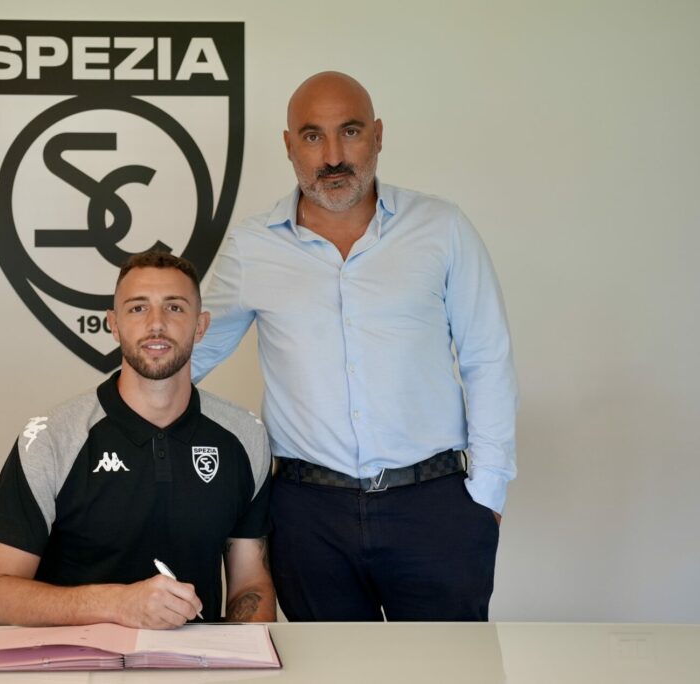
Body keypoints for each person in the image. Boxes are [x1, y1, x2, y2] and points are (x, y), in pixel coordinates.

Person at [192, 71, 518, 622]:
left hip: (435, 507)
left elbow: (487, 359)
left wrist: (487, 494)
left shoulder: (441, 228)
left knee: (451, 665)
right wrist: (103, 427)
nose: (333, 156)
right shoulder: (251, 247)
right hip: (308, 517)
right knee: (331, 666)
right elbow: (188, 356)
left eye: (350, 131)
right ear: (289, 145)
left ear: (378, 135)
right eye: (312, 136)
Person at [0, 251, 276, 628]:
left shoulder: (245, 435)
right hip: (76, 657)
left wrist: (246, 653)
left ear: (200, 326)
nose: (157, 324)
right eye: (137, 308)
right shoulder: (51, 439)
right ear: (114, 325)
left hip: (196, 660)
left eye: (175, 308)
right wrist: (118, 604)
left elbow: (250, 584)